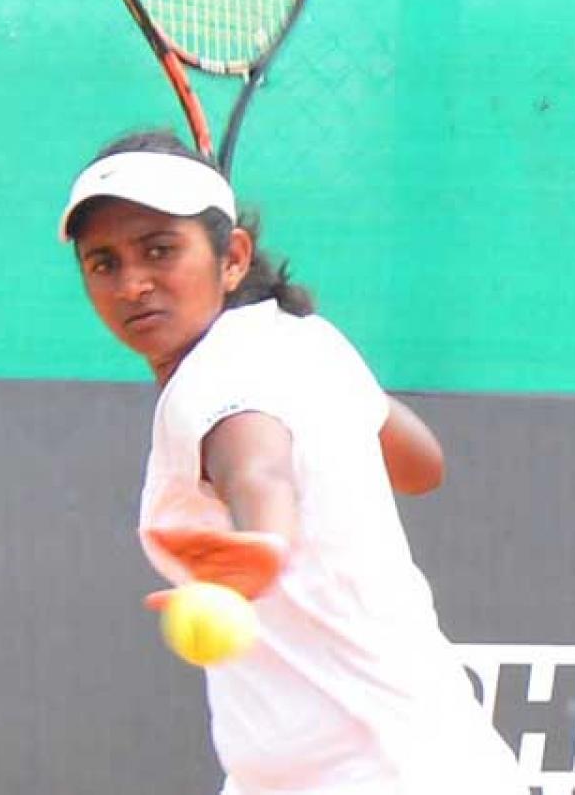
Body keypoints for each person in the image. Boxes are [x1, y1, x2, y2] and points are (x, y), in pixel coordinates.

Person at [58, 128, 527, 795]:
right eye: (103, 263)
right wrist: (339, 386)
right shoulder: (306, 342)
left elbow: (257, 466)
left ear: (232, 257)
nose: (132, 283)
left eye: (160, 250)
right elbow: (422, 465)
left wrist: (262, 541)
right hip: (414, 759)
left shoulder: (212, 382)